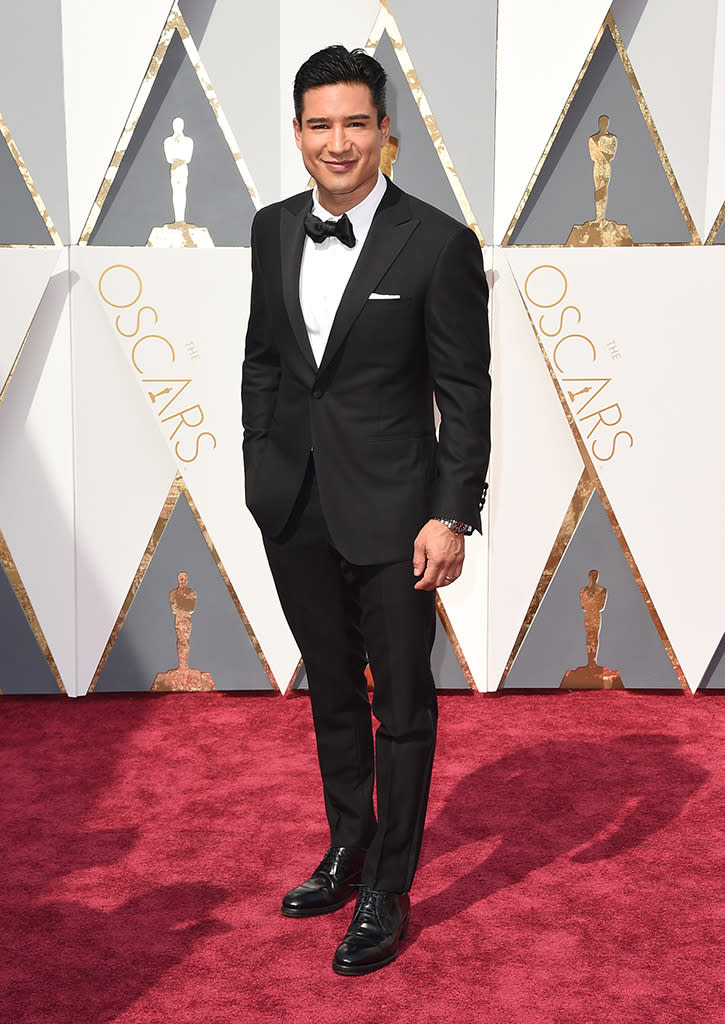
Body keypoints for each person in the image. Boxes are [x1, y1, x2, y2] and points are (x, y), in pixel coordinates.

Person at [242, 45, 490, 975]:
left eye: (355, 122)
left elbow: (466, 394)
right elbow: (263, 361)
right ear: (297, 133)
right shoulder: (270, 230)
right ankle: (349, 844)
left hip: (396, 513)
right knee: (333, 693)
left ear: (386, 128)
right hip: (293, 503)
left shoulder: (436, 242)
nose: (337, 141)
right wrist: (258, 462)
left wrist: (450, 514)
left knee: (405, 706)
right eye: (319, 124)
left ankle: (389, 885)